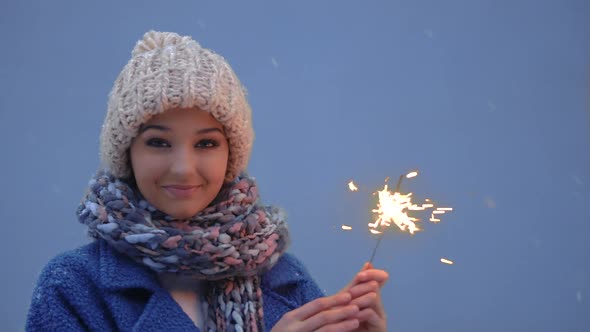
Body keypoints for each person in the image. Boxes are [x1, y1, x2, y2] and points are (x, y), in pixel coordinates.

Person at [26, 30, 388, 332]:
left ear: (230, 155)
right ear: (126, 154)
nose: (183, 167)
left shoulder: (286, 279)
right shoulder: (73, 286)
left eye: (206, 143)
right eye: (158, 142)